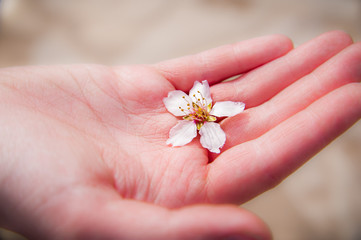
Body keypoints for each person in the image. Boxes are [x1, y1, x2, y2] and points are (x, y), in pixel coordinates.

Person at [0, 30, 360, 240]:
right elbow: (185, 109)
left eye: (200, 108)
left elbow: (218, 109)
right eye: (196, 108)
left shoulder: (209, 116)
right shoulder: (188, 119)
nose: (199, 109)